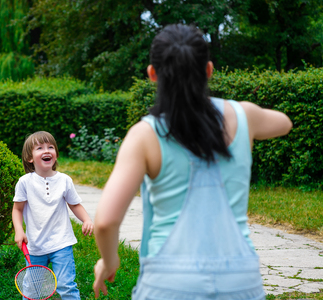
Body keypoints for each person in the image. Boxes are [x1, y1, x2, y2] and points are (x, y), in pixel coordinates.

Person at [93, 24, 292, 300]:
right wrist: (243, 114)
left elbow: (105, 222)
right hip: (240, 280)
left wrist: (109, 261)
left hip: (169, 283)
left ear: (153, 74)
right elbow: (284, 123)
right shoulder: (244, 115)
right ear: (208, 70)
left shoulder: (145, 135)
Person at [12, 131, 94, 300]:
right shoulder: (25, 182)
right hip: (34, 246)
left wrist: (86, 219)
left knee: (66, 286)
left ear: (55, 155)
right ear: (29, 157)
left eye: (51, 147)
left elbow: (74, 204)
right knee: (32, 291)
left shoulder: (64, 180)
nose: (47, 150)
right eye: (40, 148)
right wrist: (19, 230)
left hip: (61, 243)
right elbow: (17, 209)